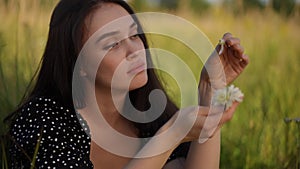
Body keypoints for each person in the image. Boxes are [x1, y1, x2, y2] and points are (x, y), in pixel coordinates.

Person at [6, 0, 249, 168]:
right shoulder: (44, 120)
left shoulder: (151, 117)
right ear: (78, 62)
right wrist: (170, 136)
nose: (135, 50)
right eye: (113, 44)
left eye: (134, 35)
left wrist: (211, 90)